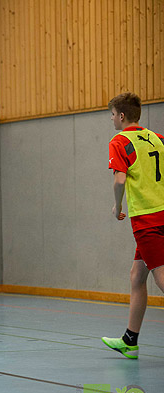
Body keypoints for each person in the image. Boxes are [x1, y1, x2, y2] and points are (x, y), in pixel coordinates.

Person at [102, 92, 164, 359]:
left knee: (161, 276)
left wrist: (117, 206)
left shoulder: (119, 141)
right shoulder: (158, 138)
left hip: (147, 219)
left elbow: (119, 180)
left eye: (112, 115)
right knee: (137, 276)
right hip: (162, 212)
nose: (112, 120)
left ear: (121, 115)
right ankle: (130, 340)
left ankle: (130, 340)